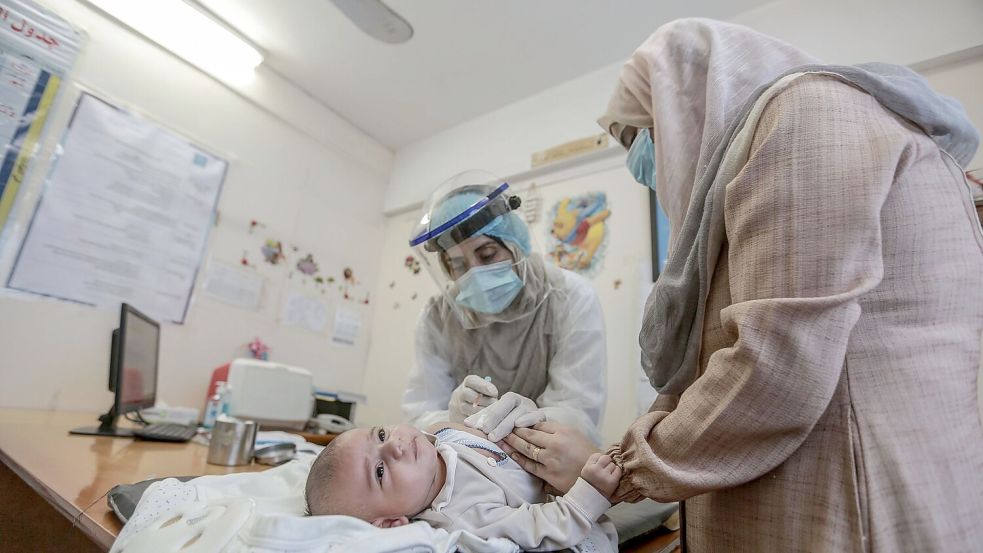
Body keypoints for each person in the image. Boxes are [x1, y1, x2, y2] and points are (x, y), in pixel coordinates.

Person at [469, 18, 983, 552]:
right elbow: (717, 366)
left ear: (684, 100)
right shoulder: (753, 181)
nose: (638, 163)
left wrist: (615, 469)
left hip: (853, 507)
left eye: (635, 137)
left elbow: (775, 369)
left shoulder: (807, 116)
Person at [401, 170, 607, 445]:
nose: (475, 272)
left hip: (544, 470)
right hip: (465, 465)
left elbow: (578, 415)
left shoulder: (569, 297)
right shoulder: (438, 318)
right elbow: (418, 415)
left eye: (487, 254)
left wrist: (533, 419)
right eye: (458, 265)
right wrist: (450, 418)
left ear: (514, 244)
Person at [304, 422, 619, 552]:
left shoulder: (440, 440)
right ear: (390, 523)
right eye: (380, 471)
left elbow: (486, 431)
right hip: (582, 526)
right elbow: (544, 528)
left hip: (555, 482)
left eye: (382, 435)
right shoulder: (464, 515)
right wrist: (591, 493)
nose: (395, 447)